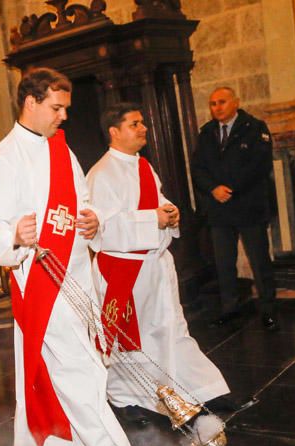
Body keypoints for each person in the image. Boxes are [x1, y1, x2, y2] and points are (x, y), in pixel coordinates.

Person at [0, 68, 161, 446]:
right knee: (80, 369)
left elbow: (79, 201)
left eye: (66, 109)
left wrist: (91, 219)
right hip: (40, 282)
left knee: (53, 368)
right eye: (56, 108)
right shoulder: (6, 158)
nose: (63, 117)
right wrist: (13, 235)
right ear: (31, 102)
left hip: (76, 276)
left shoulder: (61, 149)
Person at [87, 103, 243, 424]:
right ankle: (128, 400)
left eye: (143, 122)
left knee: (172, 328)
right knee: (133, 340)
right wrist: (152, 218)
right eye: (135, 124)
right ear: (114, 132)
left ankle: (205, 390)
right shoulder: (101, 174)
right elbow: (102, 230)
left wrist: (169, 211)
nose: (143, 128)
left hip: (155, 265)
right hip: (125, 271)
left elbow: (157, 201)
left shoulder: (143, 166)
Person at [191, 87, 277, 330]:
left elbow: (259, 165)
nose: (216, 107)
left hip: (249, 205)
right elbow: (197, 168)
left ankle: (269, 311)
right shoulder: (207, 133)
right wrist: (213, 189)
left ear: (236, 103)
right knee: (224, 263)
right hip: (220, 209)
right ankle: (230, 310)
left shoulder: (254, 128)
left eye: (222, 102)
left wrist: (230, 188)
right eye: (213, 103)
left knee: (260, 262)